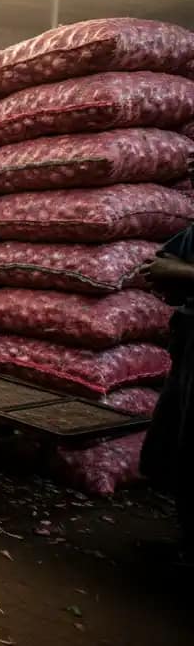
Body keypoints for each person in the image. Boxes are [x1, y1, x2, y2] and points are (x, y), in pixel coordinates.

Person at [140, 203, 194, 563]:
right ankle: (187, 543)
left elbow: (175, 267)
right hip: (189, 338)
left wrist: (179, 271)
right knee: (177, 439)